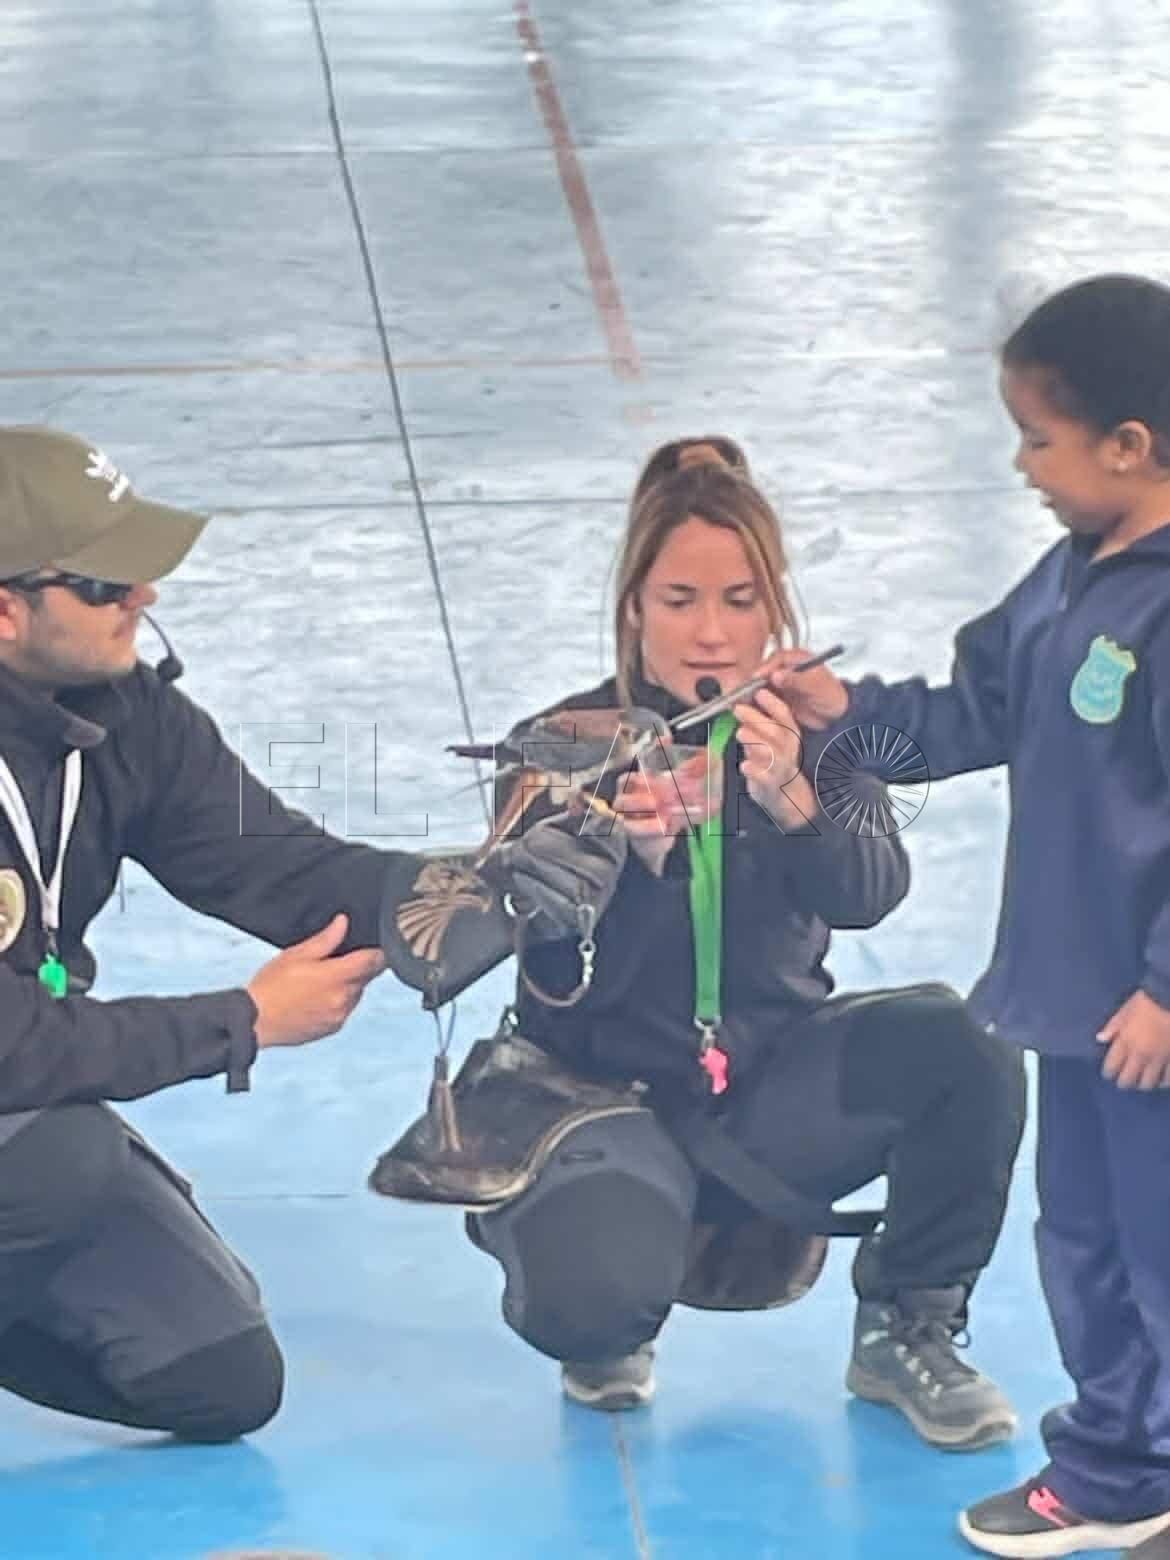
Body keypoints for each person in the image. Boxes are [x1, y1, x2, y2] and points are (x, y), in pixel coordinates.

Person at [462, 436, 1026, 1448]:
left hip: (765, 1094)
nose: (711, 633)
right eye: (680, 600)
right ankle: (602, 1296)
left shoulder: (809, 733)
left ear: (776, 612)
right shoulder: (560, 744)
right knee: (589, 1309)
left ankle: (909, 1323)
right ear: (633, 609)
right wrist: (625, 864)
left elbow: (872, 895)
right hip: (605, 1103)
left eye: (739, 600)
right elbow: (541, 973)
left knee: (965, 1042)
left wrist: (797, 802)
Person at [772, 276, 1170, 1555]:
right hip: (1078, 1004)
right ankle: (1120, 1467)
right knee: (1088, 1243)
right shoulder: (1067, 578)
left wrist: (1166, 990)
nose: (1021, 466)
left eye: (1039, 439)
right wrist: (846, 720)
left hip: (1152, 1018)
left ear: (1129, 445)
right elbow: (972, 714)